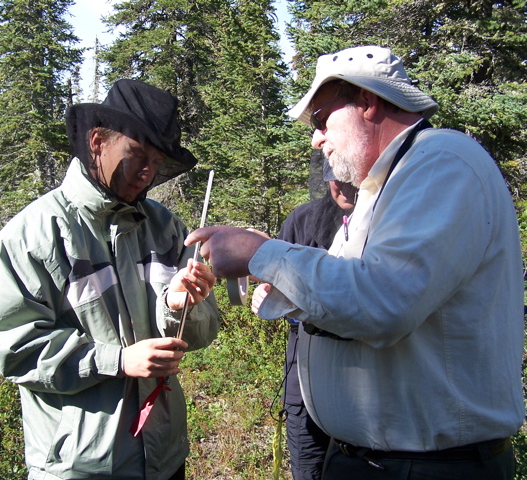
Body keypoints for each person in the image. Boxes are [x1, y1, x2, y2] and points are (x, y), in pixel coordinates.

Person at [185, 45, 524, 479]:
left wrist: (262, 253)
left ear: (367, 101)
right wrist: (284, 281)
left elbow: (385, 302)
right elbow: (359, 288)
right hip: (374, 461)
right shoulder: (384, 184)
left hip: (428, 468)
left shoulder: (441, 162)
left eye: (322, 118)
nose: (315, 137)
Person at [0, 79, 220, 480]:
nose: (147, 172)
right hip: (83, 465)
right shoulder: (31, 237)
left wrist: (178, 307)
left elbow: (200, 334)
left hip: (164, 457)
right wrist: (119, 361)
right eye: (137, 154)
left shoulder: (165, 228)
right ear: (96, 141)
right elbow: (14, 347)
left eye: (158, 162)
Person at [251, 157, 357, 480]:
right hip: (303, 378)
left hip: (357, 384)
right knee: (307, 469)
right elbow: (275, 282)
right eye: (337, 179)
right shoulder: (303, 220)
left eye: (351, 179)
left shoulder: (382, 223)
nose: (345, 187)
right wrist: (267, 295)